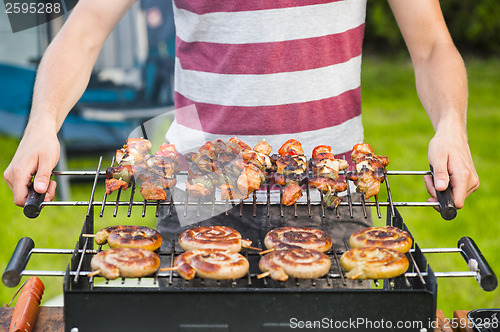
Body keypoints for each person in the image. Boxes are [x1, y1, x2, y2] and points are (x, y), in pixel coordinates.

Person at [4, 0, 478, 239]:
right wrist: (43, 121)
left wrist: (451, 124)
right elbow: (83, 32)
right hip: (200, 195)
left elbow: (432, 45)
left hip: (331, 196)